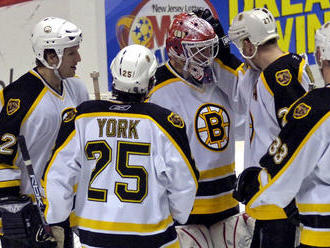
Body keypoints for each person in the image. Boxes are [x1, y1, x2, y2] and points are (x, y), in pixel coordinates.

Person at [42, 44, 199, 248]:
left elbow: (57, 174)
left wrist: (57, 216)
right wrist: (179, 215)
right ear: (151, 81)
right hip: (153, 235)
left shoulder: (82, 117)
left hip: (95, 236)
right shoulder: (164, 121)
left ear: (114, 75)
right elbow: (184, 182)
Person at [147, 11, 245, 247]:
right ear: (177, 51)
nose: (206, 56)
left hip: (226, 200)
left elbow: (247, 91)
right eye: (197, 50)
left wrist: (224, 53)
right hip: (184, 205)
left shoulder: (218, 76)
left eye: (209, 48)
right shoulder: (155, 87)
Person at [233, 20, 330, 248]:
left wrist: (256, 184)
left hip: (317, 227)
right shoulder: (283, 67)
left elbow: (293, 147)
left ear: (321, 53)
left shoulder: (316, 106)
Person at [0, 17, 89, 247]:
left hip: (62, 207)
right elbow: (2, 157)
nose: (78, 59)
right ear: (51, 57)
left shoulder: (76, 88)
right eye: (71, 53)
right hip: (28, 212)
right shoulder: (20, 97)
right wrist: (13, 209)